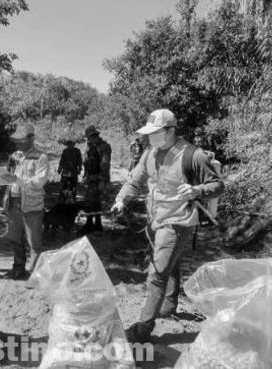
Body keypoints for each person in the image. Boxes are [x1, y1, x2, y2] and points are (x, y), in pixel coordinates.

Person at [110, 109, 224, 342]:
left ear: (170, 131)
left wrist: (197, 190)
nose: (149, 138)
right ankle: (169, 305)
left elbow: (218, 185)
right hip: (156, 218)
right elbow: (135, 179)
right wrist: (121, 199)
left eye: (155, 133)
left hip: (179, 222)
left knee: (157, 273)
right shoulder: (150, 153)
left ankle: (143, 327)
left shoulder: (193, 155)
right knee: (168, 263)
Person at [1, 123, 50, 279]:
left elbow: (39, 181)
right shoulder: (15, 156)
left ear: (31, 139)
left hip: (32, 204)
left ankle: (35, 274)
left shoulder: (40, 157)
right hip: (13, 202)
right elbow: (9, 176)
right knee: (13, 237)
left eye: (21, 139)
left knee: (33, 241)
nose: (17, 143)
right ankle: (18, 268)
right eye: (16, 139)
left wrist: (17, 179)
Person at [82, 125, 112, 233]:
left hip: (99, 178)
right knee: (89, 201)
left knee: (97, 201)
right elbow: (85, 161)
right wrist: (85, 175)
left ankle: (98, 224)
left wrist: (103, 179)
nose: (89, 139)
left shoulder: (104, 146)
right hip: (91, 177)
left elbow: (105, 163)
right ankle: (89, 223)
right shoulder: (89, 146)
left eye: (90, 136)